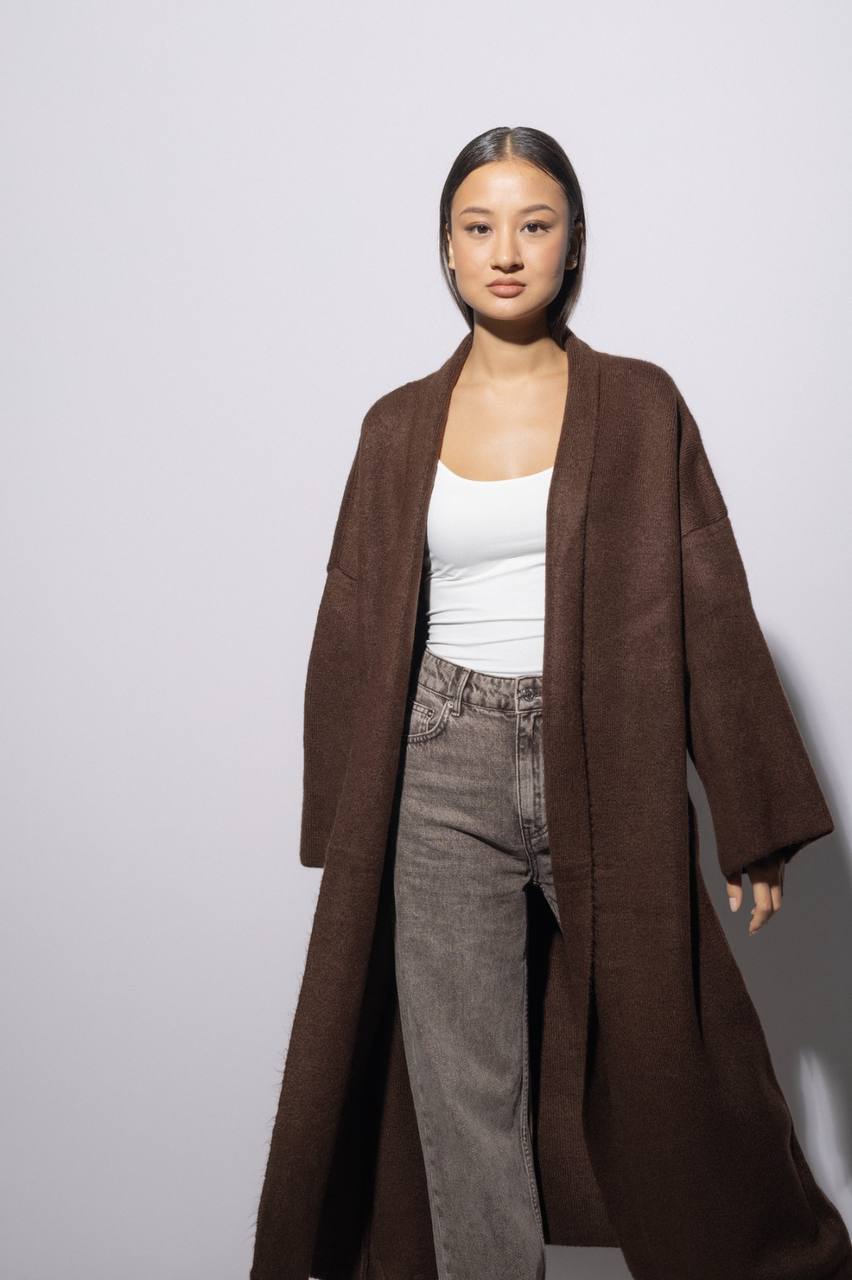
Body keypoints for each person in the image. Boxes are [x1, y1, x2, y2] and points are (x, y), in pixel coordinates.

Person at [250, 126, 851, 1280]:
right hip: (439, 766)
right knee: (463, 1094)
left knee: (676, 1064)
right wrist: (343, 821)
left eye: (535, 224)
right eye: (479, 227)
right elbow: (353, 613)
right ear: (446, 249)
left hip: (608, 753)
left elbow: (708, 595)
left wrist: (754, 814)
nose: (507, 251)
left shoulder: (639, 404)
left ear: (574, 245)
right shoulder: (395, 426)